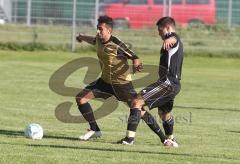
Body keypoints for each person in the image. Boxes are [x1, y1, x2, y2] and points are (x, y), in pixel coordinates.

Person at [75, 15, 171, 141]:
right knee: (81, 98)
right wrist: (81, 37)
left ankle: (164, 138)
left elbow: (134, 56)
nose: (98, 32)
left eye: (100, 29)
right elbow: (93, 40)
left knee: (139, 110)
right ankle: (95, 130)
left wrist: (136, 63)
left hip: (121, 85)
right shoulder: (98, 39)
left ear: (109, 30)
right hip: (104, 82)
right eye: (97, 29)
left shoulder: (116, 44)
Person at [118, 16, 184, 147]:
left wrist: (170, 38)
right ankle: (171, 140)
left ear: (168, 28)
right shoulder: (171, 40)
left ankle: (129, 139)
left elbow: (174, 39)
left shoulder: (172, 38)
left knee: (136, 102)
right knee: (164, 113)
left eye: (160, 30)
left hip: (168, 83)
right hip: (173, 84)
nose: (159, 33)